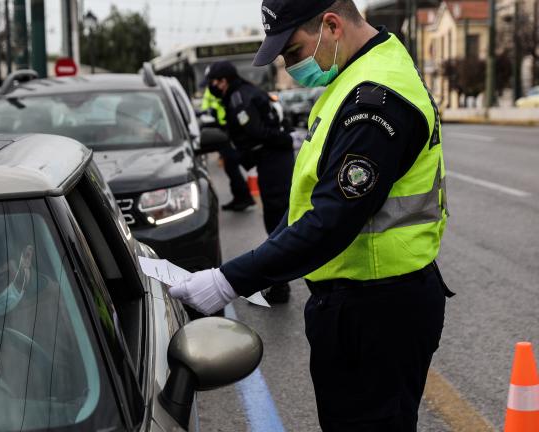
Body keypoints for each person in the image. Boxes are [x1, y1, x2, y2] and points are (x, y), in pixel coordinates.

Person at [170, 0, 454, 430]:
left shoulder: (376, 102)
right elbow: (310, 205)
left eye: (295, 52)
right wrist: (258, 261)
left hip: (377, 310)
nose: (291, 64)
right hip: (360, 301)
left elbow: (330, 222)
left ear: (332, 25)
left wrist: (226, 281)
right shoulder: (355, 79)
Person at [205, 60, 294, 303]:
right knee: (278, 223)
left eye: (213, 82)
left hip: (273, 161)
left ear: (223, 81)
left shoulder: (239, 98)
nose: (212, 87)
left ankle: (279, 287)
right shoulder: (244, 92)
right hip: (273, 160)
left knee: (276, 225)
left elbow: (256, 132)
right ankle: (279, 283)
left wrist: (284, 140)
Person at [200, 68, 256, 212]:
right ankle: (240, 197)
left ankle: (244, 197)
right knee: (230, 167)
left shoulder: (231, 93)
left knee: (232, 167)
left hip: (227, 130)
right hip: (223, 128)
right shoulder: (213, 90)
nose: (213, 85)